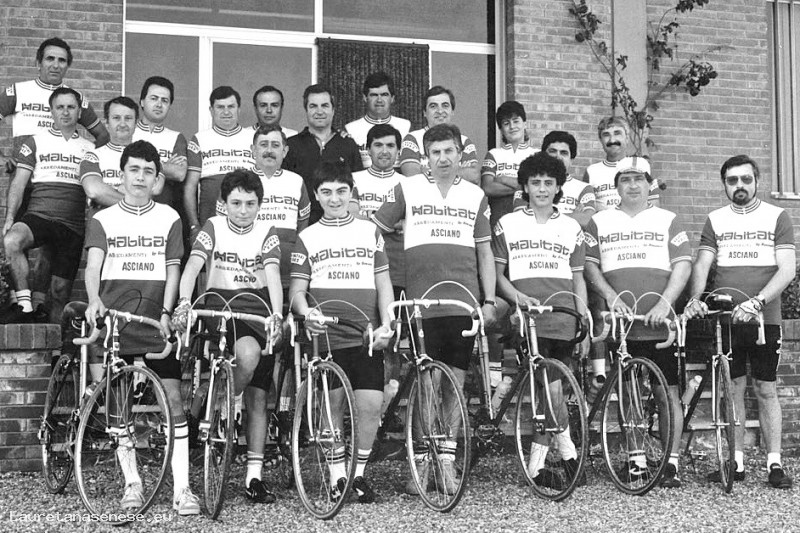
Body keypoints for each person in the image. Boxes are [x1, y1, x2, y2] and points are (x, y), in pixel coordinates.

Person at [372, 123, 497, 492]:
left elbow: (485, 252)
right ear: (425, 157)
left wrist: (489, 300)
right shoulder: (407, 187)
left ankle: (446, 462)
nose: (443, 158)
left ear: (460, 154)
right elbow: (374, 230)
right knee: (427, 382)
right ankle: (422, 463)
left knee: (454, 383)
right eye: (435, 152)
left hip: (462, 300)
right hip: (420, 302)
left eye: (449, 151)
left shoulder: (475, 195)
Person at [83, 140, 200, 515]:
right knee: (120, 409)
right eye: (133, 169)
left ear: (157, 179)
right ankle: (132, 483)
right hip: (116, 322)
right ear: (121, 174)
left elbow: (172, 269)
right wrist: (94, 300)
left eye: (148, 171)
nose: (140, 177)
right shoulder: (103, 219)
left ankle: (183, 489)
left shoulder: (169, 217)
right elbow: (93, 267)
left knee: (174, 400)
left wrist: (166, 312)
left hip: (154, 321)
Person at [683, 155, 795, 489]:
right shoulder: (716, 219)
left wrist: (757, 301)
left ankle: (774, 463)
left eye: (746, 179)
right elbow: (703, 264)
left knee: (766, 389)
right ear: (725, 184)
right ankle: (737, 462)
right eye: (732, 180)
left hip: (764, 319)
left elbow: (787, 269)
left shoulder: (777, 215)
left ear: (757, 180)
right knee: (732, 389)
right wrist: (695, 298)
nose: (740, 186)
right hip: (727, 318)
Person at [174, 169, 284, 504]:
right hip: (221, 307)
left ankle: (254, 477)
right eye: (236, 203)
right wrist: (184, 302)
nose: (243, 210)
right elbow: (192, 267)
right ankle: (224, 397)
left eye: (250, 203)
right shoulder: (213, 226)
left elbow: (273, 274)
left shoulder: (267, 231)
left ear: (260, 205)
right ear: (223, 204)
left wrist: (277, 314)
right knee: (248, 354)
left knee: (259, 398)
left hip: (258, 309)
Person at [289, 160, 394, 503]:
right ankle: (337, 476)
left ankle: (358, 474)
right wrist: (306, 314)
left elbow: (383, 283)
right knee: (331, 405)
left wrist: (388, 323)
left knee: (371, 405)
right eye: (326, 192)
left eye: (341, 191)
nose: (334, 199)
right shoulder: (307, 236)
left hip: (365, 334)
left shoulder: (370, 232)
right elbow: (297, 292)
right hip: (327, 335)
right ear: (316, 196)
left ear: (352, 193)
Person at [583, 156, 690, 488]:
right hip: (622, 323)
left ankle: (671, 462)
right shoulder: (599, 221)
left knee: (666, 391)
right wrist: (611, 297)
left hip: (659, 323)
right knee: (627, 390)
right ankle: (636, 459)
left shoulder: (668, 219)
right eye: (625, 180)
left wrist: (664, 303)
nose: (632, 185)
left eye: (639, 179)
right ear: (616, 187)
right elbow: (589, 266)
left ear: (649, 184)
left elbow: (683, 265)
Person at [492, 151, 588, 487]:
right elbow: (497, 275)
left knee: (550, 389)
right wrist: (518, 298)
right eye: (536, 182)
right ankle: (569, 455)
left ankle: (538, 467)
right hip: (528, 317)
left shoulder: (572, 226)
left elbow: (578, 278)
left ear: (559, 187)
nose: (543, 189)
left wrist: (583, 318)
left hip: (563, 316)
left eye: (549, 182)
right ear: (526, 186)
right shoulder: (508, 223)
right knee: (550, 388)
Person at [0, 37, 109, 318]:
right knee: (17, 241)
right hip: (30, 180)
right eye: (50, 58)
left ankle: (38, 310)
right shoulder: (19, 90)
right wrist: (2, 155)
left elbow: (102, 135)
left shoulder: (76, 99)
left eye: (62, 60)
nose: (55, 65)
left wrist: (91, 163)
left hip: (67, 198)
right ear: (38, 62)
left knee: (50, 256)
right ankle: (23, 305)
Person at [2, 87, 93, 324]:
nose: (65, 112)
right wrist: (10, 218)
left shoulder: (91, 148)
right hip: (39, 215)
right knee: (12, 240)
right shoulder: (35, 141)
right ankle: (25, 307)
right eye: (60, 107)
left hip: (72, 225)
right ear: (51, 110)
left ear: (79, 111)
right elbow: (19, 183)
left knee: (60, 292)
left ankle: (55, 343)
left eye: (71, 107)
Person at [217, 125, 310, 290]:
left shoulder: (296, 181)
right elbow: (222, 222)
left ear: (285, 151)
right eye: (263, 145)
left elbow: (303, 223)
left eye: (275, 145)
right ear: (253, 150)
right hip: (247, 269)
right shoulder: (236, 180)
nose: (269, 150)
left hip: (287, 269)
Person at [282, 83, 363, 224]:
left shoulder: (348, 145)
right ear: (306, 110)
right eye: (313, 106)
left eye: (325, 106)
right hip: (301, 223)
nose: (319, 111)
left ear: (333, 110)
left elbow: (358, 186)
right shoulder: (291, 146)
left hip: (340, 223)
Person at [184, 86, 254, 239]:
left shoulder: (254, 138)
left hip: (249, 223)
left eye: (231, 107)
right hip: (210, 223)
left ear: (239, 109)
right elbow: (190, 186)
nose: (226, 112)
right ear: (211, 110)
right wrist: (194, 225)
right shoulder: (199, 139)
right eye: (220, 107)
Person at [399, 86, 480, 184]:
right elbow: (412, 177)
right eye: (433, 106)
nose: (440, 111)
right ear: (424, 113)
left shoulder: (464, 141)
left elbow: (473, 176)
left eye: (445, 105)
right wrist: (458, 171)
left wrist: (427, 172)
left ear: (452, 111)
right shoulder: (412, 139)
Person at [134, 76, 188, 209]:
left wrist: (137, 164)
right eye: (154, 98)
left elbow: (179, 173)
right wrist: (165, 166)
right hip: (129, 206)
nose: (159, 104)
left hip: (162, 209)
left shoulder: (176, 137)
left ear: (169, 106)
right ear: (142, 102)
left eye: (164, 100)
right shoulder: (129, 133)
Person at [481, 101, 537, 229]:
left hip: (529, 221)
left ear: (525, 123)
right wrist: (524, 186)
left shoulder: (537, 154)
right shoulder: (494, 154)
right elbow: (488, 187)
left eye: (516, 121)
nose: (512, 127)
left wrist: (503, 179)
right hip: (498, 219)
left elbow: (538, 187)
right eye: (506, 123)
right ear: (501, 129)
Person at [583, 117, 660, 211]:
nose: (612, 140)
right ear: (601, 140)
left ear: (627, 137)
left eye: (617, 133)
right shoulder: (591, 171)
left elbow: (654, 208)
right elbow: (587, 211)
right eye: (606, 135)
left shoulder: (643, 166)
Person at [80, 96, 140, 214]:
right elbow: (94, 190)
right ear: (107, 123)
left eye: (128, 118)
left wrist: (109, 193)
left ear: (136, 123)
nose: (122, 124)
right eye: (116, 118)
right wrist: (135, 203)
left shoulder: (147, 155)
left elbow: (155, 188)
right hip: (101, 221)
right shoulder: (93, 156)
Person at [345, 72, 411, 169]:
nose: (379, 100)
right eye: (374, 95)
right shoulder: (350, 129)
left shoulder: (406, 127)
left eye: (384, 95)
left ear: (392, 98)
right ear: (365, 98)